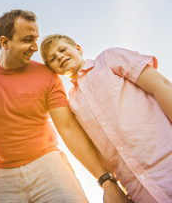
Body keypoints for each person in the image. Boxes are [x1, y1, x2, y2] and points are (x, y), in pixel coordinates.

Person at [0, 10, 131, 203]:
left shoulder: (46, 75)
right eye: (28, 40)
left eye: (35, 39)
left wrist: (106, 180)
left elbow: (68, 128)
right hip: (0, 172)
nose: (35, 47)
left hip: (48, 164)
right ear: (5, 42)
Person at [40, 34, 172, 203]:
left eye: (63, 49)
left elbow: (160, 85)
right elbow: (94, 148)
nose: (59, 56)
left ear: (78, 49)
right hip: (139, 189)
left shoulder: (109, 59)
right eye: (52, 58)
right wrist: (108, 183)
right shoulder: (72, 103)